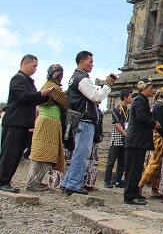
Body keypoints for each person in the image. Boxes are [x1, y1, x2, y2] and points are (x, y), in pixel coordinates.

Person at [63, 51, 114, 196]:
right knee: (81, 153)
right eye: (90, 61)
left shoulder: (74, 77)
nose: (92, 64)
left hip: (78, 119)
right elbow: (96, 96)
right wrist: (108, 85)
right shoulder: (82, 79)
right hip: (84, 120)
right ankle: (73, 184)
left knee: (78, 153)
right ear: (81, 62)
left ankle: (68, 182)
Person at [0, 55, 53, 193]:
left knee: (17, 155)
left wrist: (46, 97)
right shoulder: (18, 79)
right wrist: (41, 93)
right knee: (9, 154)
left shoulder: (29, 81)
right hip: (14, 123)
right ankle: (2, 181)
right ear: (25, 63)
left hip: (23, 123)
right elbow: (23, 97)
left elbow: (32, 100)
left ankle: (6, 180)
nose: (36, 68)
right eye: (34, 65)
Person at [25, 64, 68, 192]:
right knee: (44, 154)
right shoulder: (53, 87)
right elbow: (65, 103)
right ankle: (33, 183)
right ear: (57, 75)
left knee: (42, 153)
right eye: (60, 75)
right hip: (48, 123)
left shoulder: (49, 85)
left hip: (48, 122)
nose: (61, 77)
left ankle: (34, 181)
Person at [124, 79, 159, 205]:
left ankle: (134, 193)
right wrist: (154, 123)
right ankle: (130, 195)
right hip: (136, 141)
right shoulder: (139, 100)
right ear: (144, 88)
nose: (152, 90)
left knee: (137, 169)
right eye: (150, 88)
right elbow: (141, 117)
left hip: (139, 141)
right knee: (133, 169)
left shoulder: (142, 100)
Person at [139, 85, 163, 199]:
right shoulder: (159, 107)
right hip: (159, 137)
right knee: (154, 163)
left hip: (162, 137)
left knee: (159, 165)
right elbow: (161, 125)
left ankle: (154, 188)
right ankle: (140, 185)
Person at [104, 89, 131, 188]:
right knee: (111, 161)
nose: (131, 98)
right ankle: (107, 180)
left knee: (122, 162)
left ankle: (117, 180)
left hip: (125, 137)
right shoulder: (117, 109)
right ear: (125, 97)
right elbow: (116, 124)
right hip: (117, 137)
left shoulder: (128, 111)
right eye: (130, 96)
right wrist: (125, 133)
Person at [84, 106, 104, 190]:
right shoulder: (88, 109)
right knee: (86, 161)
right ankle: (83, 183)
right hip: (88, 138)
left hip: (95, 140)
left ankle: (90, 184)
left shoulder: (98, 111)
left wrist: (100, 134)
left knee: (93, 162)